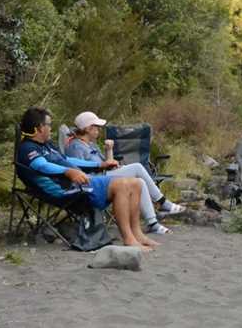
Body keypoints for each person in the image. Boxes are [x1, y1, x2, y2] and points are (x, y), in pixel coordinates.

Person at [16, 107, 158, 250]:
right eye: (49, 125)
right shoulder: (27, 148)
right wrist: (68, 172)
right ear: (40, 128)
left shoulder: (47, 146)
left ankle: (138, 234)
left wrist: (99, 165)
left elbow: (68, 159)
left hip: (78, 182)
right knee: (121, 185)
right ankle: (129, 239)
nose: (51, 129)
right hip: (66, 190)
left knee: (136, 183)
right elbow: (42, 165)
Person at [65, 111, 185, 235]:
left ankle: (152, 223)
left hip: (104, 177)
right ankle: (162, 202)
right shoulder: (75, 147)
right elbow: (77, 169)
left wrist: (109, 150)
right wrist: (101, 166)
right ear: (88, 129)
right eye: (97, 127)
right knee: (137, 168)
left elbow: (108, 164)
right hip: (94, 183)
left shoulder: (91, 145)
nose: (99, 130)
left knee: (139, 181)